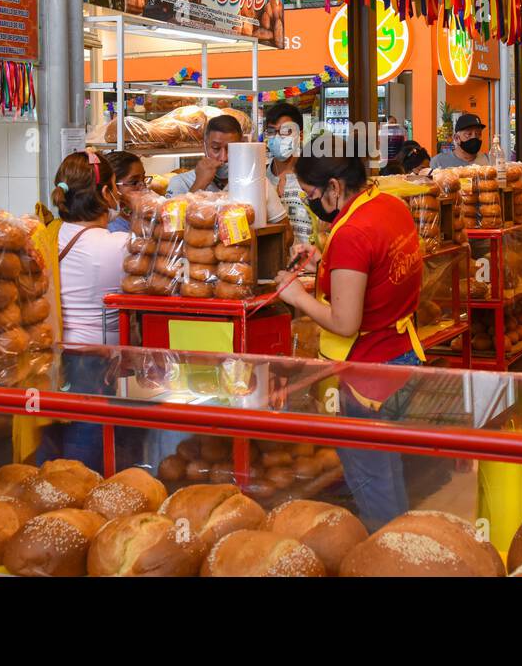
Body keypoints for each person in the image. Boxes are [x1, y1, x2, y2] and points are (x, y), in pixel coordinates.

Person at [275, 147, 425, 530]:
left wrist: (297, 296)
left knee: (372, 480)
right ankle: (403, 547)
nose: (312, 205)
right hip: (403, 356)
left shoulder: (352, 233)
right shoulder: (389, 205)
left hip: (368, 374)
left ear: (334, 186)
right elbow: (374, 274)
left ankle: (389, 560)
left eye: (312, 195)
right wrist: (324, 262)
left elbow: (344, 322)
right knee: (388, 468)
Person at [36, 150, 131, 470]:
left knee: (50, 440)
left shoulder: (47, 234)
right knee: (85, 447)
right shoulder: (115, 247)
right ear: (106, 193)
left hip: (52, 356)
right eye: (116, 186)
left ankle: (44, 499)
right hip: (94, 361)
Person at [165, 113, 288, 224]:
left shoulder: (257, 182)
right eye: (216, 148)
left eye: (231, 149)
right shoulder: (180, 182)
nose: (223, 157)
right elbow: (171, 230)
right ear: (205, 146)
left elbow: (285, 233)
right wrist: (199, 184)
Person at [262, 102, 314, 247]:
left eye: (286, 132)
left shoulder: (314, 175)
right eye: (272, 131)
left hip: (308, 264)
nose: (278, 138)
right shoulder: (261, 176)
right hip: (272, 263)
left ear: (301, 135)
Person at [102, 150, 150, 233]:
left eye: (144, 180)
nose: (144, 188)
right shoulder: (113, 229)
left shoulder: (140, 219)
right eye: (134, 182)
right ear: (112, 186)